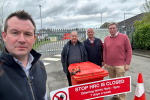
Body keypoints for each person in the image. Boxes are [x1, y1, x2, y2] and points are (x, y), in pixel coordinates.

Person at [0, 10, 47, 100]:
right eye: (15, 33)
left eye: (27, 34)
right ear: (4, 36)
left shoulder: (40, 66)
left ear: (34, 39)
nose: (22, 40)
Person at [103, 22, 132, 100]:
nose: (112, 30)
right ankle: (115, 96)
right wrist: (105, 62)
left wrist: (127, 63)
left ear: (116, 28)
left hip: (120, 64)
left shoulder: (124, 37)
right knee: (112, 82)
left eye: (113, 28)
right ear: (108, 30)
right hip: (109, 64)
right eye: (110, 28)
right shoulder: (106, 39)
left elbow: (129, 50)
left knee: (121, 82)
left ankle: (122, 98)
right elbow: (105, 51)